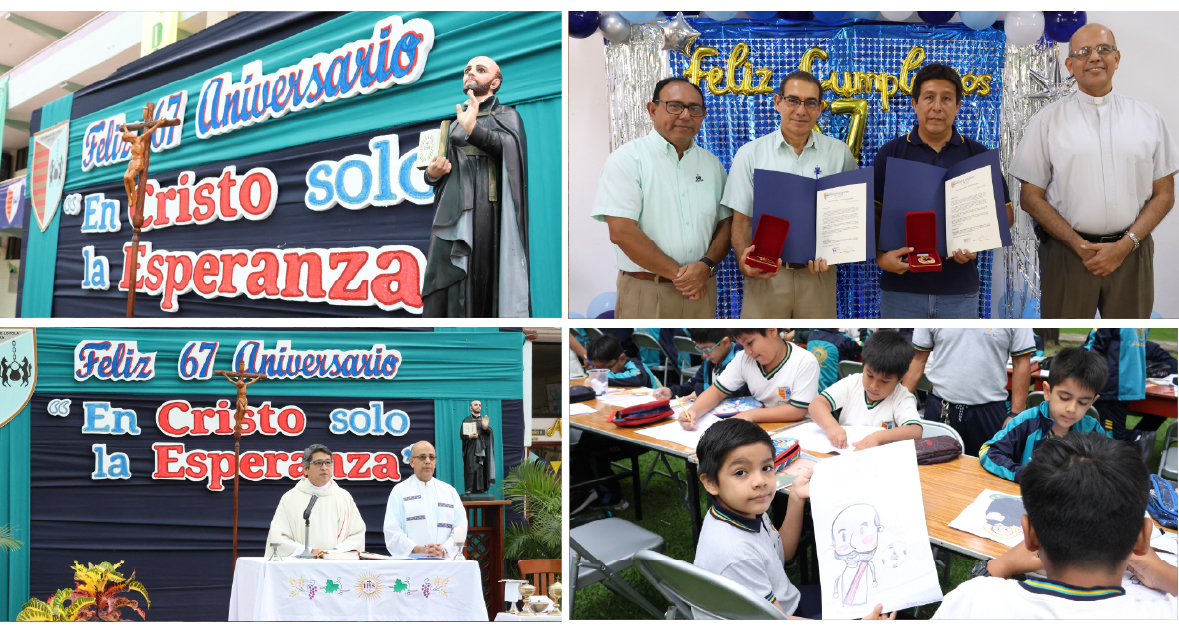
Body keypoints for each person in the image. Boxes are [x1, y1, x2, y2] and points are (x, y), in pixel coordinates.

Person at [1012, 24, 1178, 319]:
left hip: (1132, 252)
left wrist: (1125, 245)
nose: (1095, 58)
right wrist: (1078, 244)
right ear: (1070, 64)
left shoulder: (1147, 117)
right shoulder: (1047, 121)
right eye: (1084, 52)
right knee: (1062, 346)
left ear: (1117, 58)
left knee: (1127, 342)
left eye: (1104, 49)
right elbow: (1030, 198)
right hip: (1067, 254)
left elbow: (1164, 194)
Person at [935, 432, 1177, 618]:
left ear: (1029, 536)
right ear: (1144, 538)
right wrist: (1163, 573)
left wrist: (1003, 564)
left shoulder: (974, 602)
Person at [692, 418, 894, 620]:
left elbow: (783, 554)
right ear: (711, 483)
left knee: (880, 602)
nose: (760, 481)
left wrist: (796, 497)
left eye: (766, 468)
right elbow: (777, 624)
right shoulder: (736, 554)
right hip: (779, 619)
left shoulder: (747, 509)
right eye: (741, 472)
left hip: (785, 601)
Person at [872, 63, 1013, 319]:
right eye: (929, 97)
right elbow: (873, 217)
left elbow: (1006, 215)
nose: (937, 106)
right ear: (914, 103)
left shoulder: (977, 155)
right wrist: (881, 258)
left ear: (958, 106)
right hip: (901, 289)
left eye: (946, 98)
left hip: (959, 291)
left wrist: (977, 243)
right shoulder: (891, 154)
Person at [591, 77, 732, 319]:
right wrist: (683, 277)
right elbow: (622, 231)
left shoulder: (712, 165)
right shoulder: (627, 160)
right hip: (647, 291)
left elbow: (725, 225)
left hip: (701, 290)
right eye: (675, 106)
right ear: (652, 110)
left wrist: (706, 265)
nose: (685, 115)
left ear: (703, 115)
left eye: (694, 108)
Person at [722, 70, 858, 318]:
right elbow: (742, 220)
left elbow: (849, 220)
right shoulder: (751, 154)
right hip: (766, 275)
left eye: (810, 103)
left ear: (820, 108)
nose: (801, 110)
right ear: (778, 102)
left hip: (818, 276)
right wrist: (744, 262)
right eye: (793, 100)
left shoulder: (839, 154)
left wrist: (836, 256)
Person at [422, 56, 530, 318]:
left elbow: (509, 151)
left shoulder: (508, 116)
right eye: (467, 70)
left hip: (485, 204)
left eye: (480, 70)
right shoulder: (453, 123)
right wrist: (432, 174)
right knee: (444, 277)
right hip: (451, 208)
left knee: (478, 273)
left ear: (494, 83)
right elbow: (436, 172)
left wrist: (475, 130)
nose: (471, 73)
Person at [980, 347, 1111, 482]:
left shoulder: (1093, 431)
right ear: (1047, 391)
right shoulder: (1026, 422)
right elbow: (988, 451)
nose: (1071, 409)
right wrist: (1023, 474)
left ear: (1092, 402)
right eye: (1064, 398)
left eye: (1082, 402)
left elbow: (1107, 469)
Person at [903, 328, 1036, 456]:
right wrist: (901, 407)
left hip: (990, 412)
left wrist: (1015, 414)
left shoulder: (1015, 309)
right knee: (933, 473)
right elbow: (918, 358)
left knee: (988, 475)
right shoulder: (931, 307)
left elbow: (1021, 362)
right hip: (941, 409)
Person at [678, 329, 819, 430]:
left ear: (772, 330)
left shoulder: (804, 361)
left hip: (799, 429)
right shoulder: (743, 359)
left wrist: (749, 415)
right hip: (761, 428)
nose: (747, 351)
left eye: (750, 343)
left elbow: (797, 410)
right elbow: (716, 391)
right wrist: (694, 411)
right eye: (742, 345)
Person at [808, 330, 923, 450]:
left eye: (884, 381)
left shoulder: (901, 397)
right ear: (863, 367)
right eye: (869, 375)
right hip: (845, 453)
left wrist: (880, 437)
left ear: (899, 379)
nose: (874, 386)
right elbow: (817, 404)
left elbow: (915, 431)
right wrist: (831, 426)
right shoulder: (853, 383)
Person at [265, 444, 366, 557]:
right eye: (318, 463)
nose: (324, 467)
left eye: (328, 462)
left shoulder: (344, 497)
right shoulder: (290, 498)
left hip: (336, 564)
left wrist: (335, 552)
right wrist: (307, 551)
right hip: (302, 566)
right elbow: (279, 537)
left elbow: (357, 534)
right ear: (305, 469)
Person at [383, 441, 468, 558]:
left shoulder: (449, 491)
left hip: (444, 563)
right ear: (412, 462)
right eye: (422, 457)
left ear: (435, 462)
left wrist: (444, 550)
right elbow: (392, 531)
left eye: (431, 457)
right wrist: (418, 549)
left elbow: (460, 527)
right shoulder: (400, 491)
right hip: (411, 563)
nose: (428, 461)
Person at [1084, 328, 1148, 443]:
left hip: (1111, 385)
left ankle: (1131, 443)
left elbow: (1092, 349)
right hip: (1128, 382)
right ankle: (1134, 440)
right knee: (1115, 430)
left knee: (1105, 433)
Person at [653, 328, 750, 401]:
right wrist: (672, 391)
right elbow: (694, 383)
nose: (704, 354)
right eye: (700, 349)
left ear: (725, 342)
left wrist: (700, 390)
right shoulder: (710, 359)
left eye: (707, 349)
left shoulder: (741, 358)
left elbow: (735, 392)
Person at [586, 333, 656, 388]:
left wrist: (601, 377)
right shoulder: (614, 366)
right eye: (596, 367)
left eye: (607, 368)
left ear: (622, 359)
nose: (600, 372)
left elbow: (637, 378)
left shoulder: (635, 365)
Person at [461, 400, 495, 494]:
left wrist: (485, 427)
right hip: (471, 448)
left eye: (480, 405)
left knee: (481, 468)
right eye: (476, 405)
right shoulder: (466, 420)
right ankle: (469, 488)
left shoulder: (483, 420)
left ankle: (481, 488)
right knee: (471, 467)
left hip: (482, 448)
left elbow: (489, 433)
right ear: (471, 407)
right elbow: (462, 436)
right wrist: (469, 436)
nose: (478, 406)